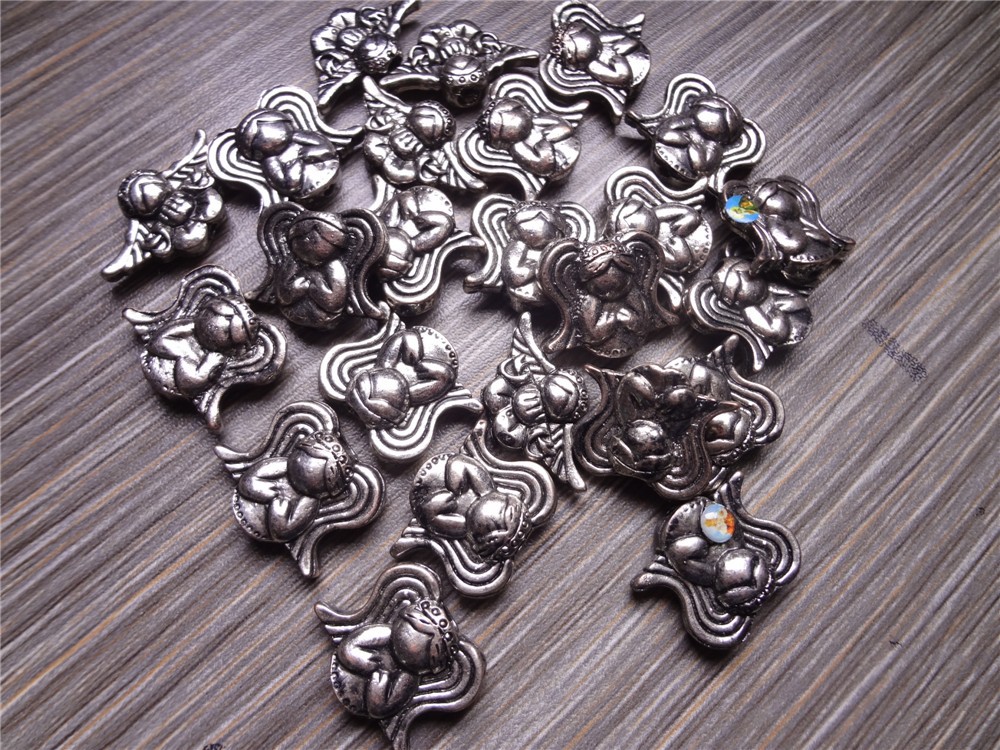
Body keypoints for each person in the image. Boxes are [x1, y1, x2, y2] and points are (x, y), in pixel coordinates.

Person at [333, 599, 456, 719]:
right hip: (346, 679)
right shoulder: (385, 633)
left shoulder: (409, 678)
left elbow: (378, 709)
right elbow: (346, 650)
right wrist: (373, 665)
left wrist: (382, 674)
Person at [143, 294, 258, 400]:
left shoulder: (216, 357)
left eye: (227, 333)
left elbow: (189, 385)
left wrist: (208, 366)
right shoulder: (187, 328)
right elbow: (155, 343)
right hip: (164, 369)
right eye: (227, 320)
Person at [235, 108, 342, 200]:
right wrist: (297, 165)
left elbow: (327, 149)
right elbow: (287, 185)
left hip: (328, 169)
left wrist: (309, 154)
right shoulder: (270, 161)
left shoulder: (297, 136)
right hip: (306, 189)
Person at [479, 98, 578, 180]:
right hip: (558, 165)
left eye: (513, 113)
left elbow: (566, 127)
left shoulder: (536, 119)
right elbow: (542, 167)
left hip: (572, 147)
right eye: (503, 125)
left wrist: (551, 135)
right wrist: (545, 143)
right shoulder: (518, 147)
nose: (513, 120)